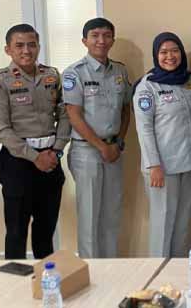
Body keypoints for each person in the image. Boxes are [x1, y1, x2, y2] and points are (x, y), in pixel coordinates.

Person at [0, 24, 70, 259]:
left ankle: (46, 276)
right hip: (18, 162)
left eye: (32, 44)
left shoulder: (51, 75)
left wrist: (57, 150)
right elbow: (0, 129)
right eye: (19, 45)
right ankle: (15, 278)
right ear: (8, 49)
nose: (26, 50)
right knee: (16, 232)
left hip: (50, 158)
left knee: (46, 230)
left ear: (39, 46)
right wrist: (34, 157)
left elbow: (64, 114)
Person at [63, 17, 132, 258]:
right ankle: (91, 269)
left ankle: (111, 267)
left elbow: (125, 110)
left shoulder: (120, 71)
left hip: (114, 151)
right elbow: (74, 115)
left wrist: (118, 142)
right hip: (87, 152)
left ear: (112, 39)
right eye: (95, 36)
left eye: (106, 35)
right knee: (89, 217)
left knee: (112, 215)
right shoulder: (74, 73)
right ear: (85, 41)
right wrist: (101, 146)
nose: (101, 40)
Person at [133, 32, 191, 258]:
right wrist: (154, 165)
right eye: (163, 52)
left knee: (183, 223)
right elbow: (144, 129)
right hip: (162, 168)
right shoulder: (147, 87)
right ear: (156, 55)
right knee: (162, 223)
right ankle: (158, 271)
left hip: (190, 164)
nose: (170, 56)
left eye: (174, 51)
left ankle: (177, 271)